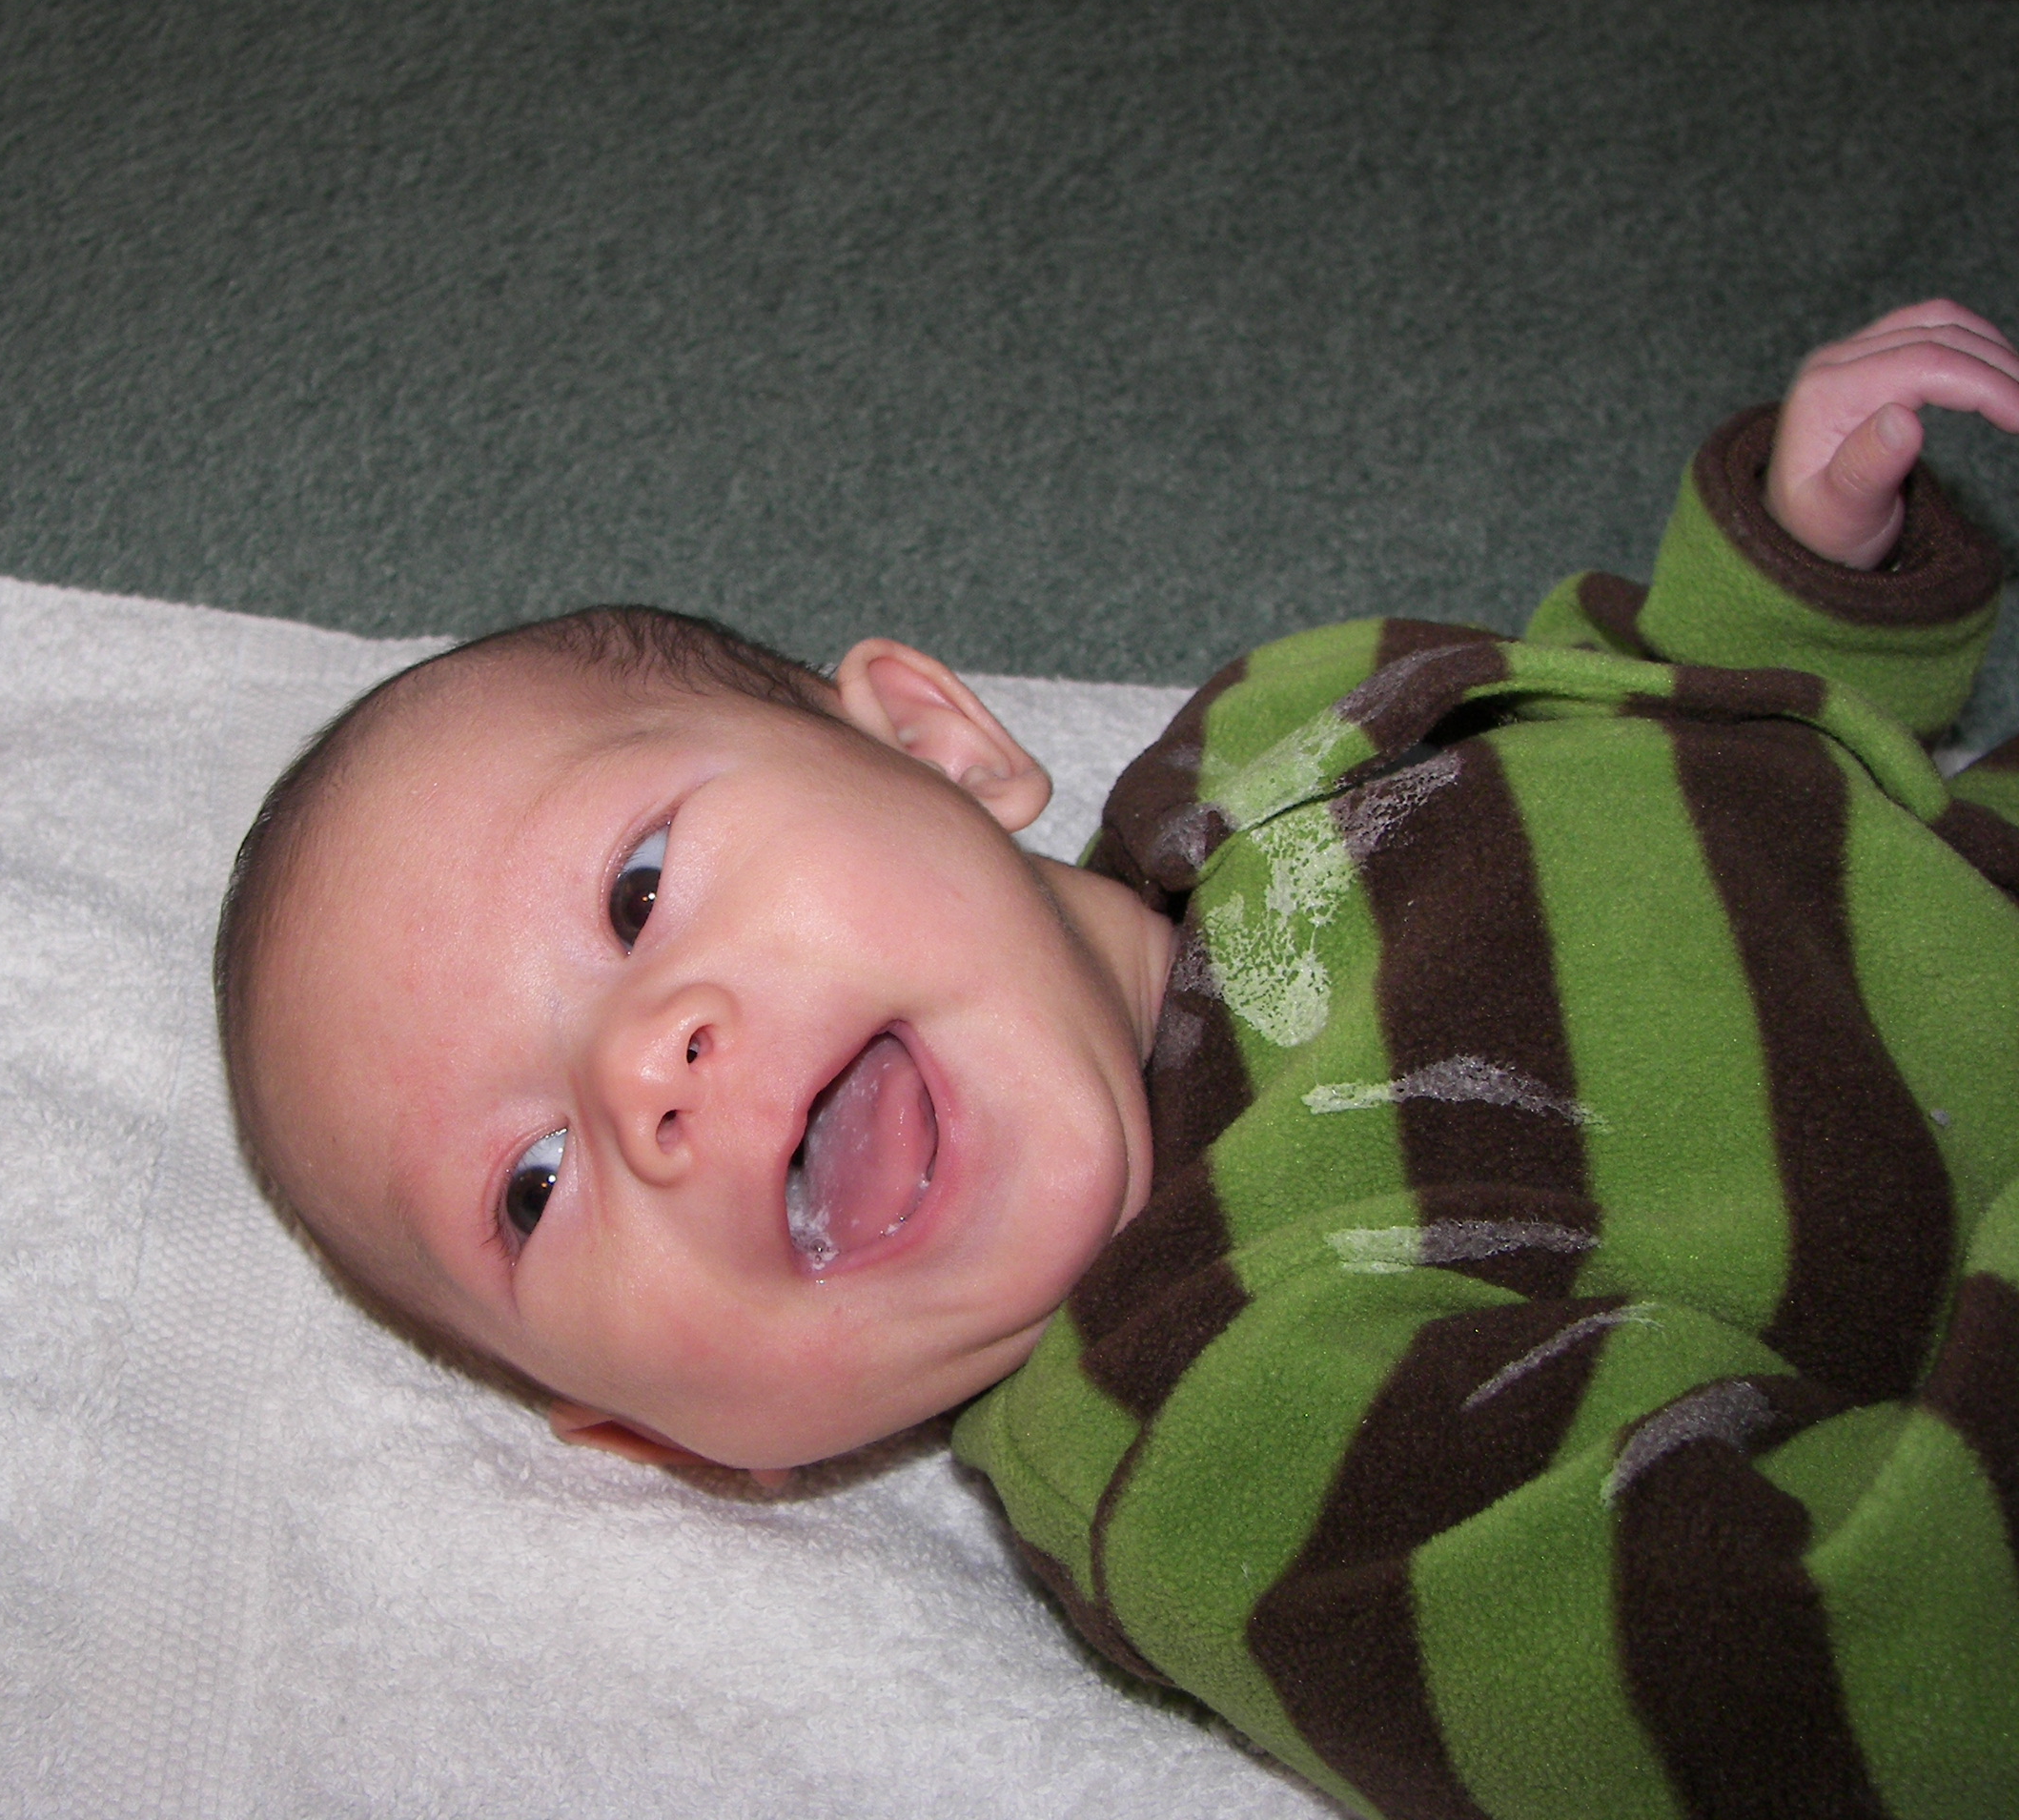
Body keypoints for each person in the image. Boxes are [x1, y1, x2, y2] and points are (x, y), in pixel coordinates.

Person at [215, 301, 2019, 1820]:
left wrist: (1796, 594)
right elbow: (1830, 1679)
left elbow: (1632, 731)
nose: (642, 1080)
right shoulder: (1231, 1453)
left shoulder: (1272, 730)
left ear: (930, 743)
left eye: (637, 889)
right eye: (530, 1189)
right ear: (672, 1438)